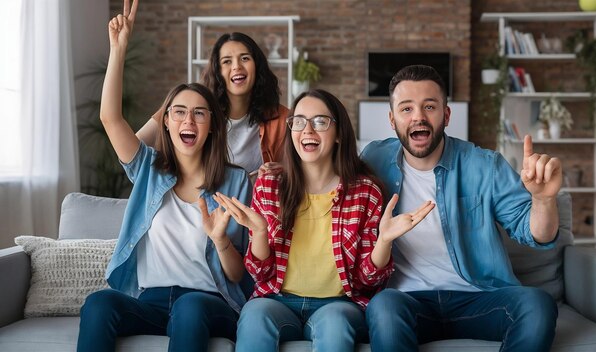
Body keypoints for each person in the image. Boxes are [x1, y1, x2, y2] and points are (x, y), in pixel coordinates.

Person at [77, 1, 251, 351]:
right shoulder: (148, 169)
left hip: (209, 301)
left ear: (213, 128)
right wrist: (118, 48)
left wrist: (220, 240)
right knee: (99, 303)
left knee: (189, 307)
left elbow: (237, 275)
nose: (189, 121)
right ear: (167, 123)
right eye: (180, 113)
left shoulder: (235, 181)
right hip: (151, 301)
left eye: (200, 114)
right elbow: (111, 119)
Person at [214, 89, 435, 352]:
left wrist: (384, 241)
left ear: (339, 133)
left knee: (334, 325)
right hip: (277, 300)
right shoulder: (269, 185)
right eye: (298, 121)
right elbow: (260, 273)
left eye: (320, 121)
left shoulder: (365, 192)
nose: (307, 129)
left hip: (339, 304)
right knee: (255, 316)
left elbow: (368, 282)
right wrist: (260, 232)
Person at [361, 64, 561, 352]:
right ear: (392, 120)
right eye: (406, 109)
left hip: (480, 297)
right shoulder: (373, 159)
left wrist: (543, 199)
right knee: (383, 306)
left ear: (446, 114)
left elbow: (536, 234)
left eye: (429, 106)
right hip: (407, 300)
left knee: (538, 304)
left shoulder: (485, 165)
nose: (418, 116)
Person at [136, 31, 289, 177]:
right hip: (199, 200)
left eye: (245, 58)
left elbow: (302, 171)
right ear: (217, 71)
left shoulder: (283, 118)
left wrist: (283, 171)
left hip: (253, 203)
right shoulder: (190, 106)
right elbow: (136, 146)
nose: (237, 66)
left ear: (257, 66)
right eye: (227, 61)